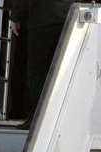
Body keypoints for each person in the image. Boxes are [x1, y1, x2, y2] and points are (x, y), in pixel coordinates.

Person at [11, 0, 75, 129]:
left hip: (42, 19)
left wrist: (16, 16)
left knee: (37, 73)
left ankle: (37, 119)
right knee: (63, 71)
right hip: (68, 17)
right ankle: (61, 117)